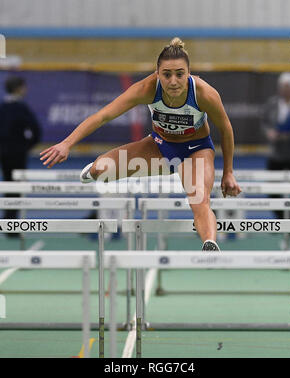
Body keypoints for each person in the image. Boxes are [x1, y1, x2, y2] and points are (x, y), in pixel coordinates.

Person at [40, 38, 241, 251]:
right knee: (101, 169)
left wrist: (228, 172)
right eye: (166, 74)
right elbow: (103, 116)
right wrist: (66, 144)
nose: (173, 81)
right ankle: (96, 169)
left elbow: (226, 129)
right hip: (160, 147)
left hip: (196, 150)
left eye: (180, 74)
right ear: (157, 73)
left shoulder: (204, 93)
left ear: (189, 73)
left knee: (199, 198)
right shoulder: (146, 88)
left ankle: (210, 244)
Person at [0, 76, 41, 224]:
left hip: (4, 153)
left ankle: (8, 219)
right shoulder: (22, 108)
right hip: (17, 154)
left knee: (8, 183)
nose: (26, 90)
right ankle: (10, 221)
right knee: (16, 186)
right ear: (18, 88)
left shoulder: (3, 107)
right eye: (23, 87)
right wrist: (26, 146)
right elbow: (36, 130)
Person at [262, 72, 290, 219]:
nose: (285, 90)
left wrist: (289, 136)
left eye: (288, 87)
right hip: (276, 154)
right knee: (272, 190)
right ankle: (281, 221)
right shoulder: (272, 104)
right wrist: (269, 133)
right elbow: (264, 123)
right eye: (282, 87)